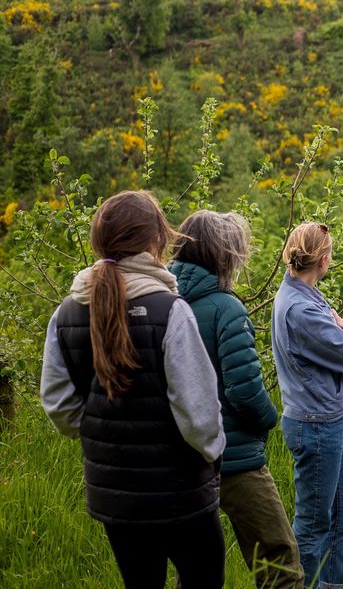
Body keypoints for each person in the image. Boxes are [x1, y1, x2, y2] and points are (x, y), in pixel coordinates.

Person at [40, 190, 225, 588]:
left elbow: (58, 405)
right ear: (154, 240)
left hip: (114, 495)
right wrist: (212, 455)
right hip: (179, 489)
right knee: (204, 577)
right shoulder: (169, 309)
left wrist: (101, 431)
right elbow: (198, 413)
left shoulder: (67, 311)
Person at [171, 210, 303, 588]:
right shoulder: (226, 308)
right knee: (279, 559)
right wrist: (268, 418)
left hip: (181, 459)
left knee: (194, 568)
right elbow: (244, 391)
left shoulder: (165, 302)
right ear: (221, 255)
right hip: (234, 458)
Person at [272, 222, 343, 589]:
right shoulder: (300, 309)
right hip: (316, 424)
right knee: (314, 523)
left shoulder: (308, 294)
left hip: (332, 418)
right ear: (324, 259)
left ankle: (331, 584)